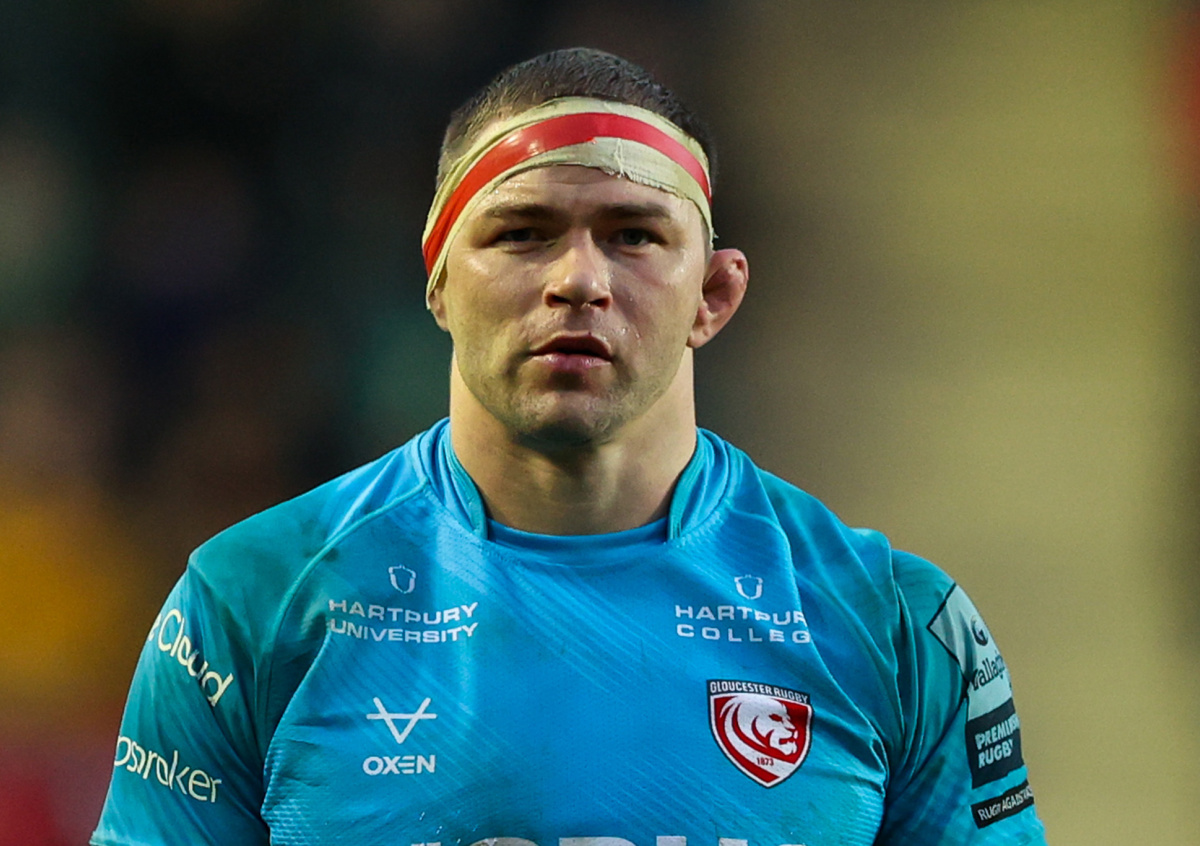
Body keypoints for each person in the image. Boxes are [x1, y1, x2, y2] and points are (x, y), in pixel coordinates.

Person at [91, 48, 1047, 846]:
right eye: (523, 233)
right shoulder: (251, 601)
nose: (579, 279)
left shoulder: (897, 626)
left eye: (633, 235)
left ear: (714, 295)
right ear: (438, 283)